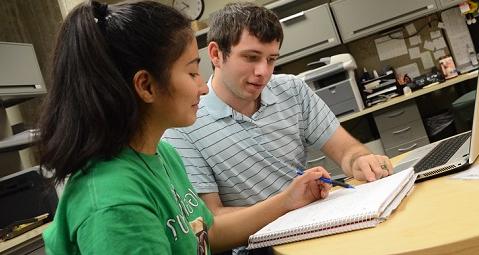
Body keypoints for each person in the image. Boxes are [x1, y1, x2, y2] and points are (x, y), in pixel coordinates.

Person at [39, 1, 332, 253]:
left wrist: (288, 200)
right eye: (192, 72)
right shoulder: (113, 207)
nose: (203, 88)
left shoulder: (163, 154)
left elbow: (207, 233)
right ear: (146, 86)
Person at [163, 2, 394, 216]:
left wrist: (361, 161)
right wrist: (286, 202)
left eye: (271, 59)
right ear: (215, 54)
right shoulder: (184, 124)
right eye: (251, 57)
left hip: (316, 219)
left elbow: (346, 151)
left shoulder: (291, 89)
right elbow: (213, 218)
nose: (263, 71)